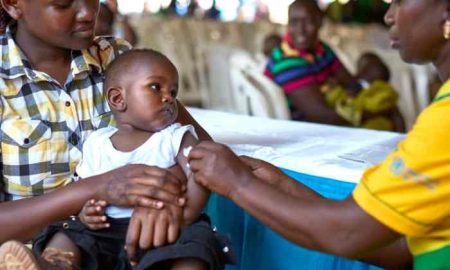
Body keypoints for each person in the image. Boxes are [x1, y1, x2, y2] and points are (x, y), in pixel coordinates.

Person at [187, 0, 450, 268]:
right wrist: (282, 185)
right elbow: (403, 248)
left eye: (401, 1)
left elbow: (348, 233)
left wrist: (237, 183)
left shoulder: (444, 122)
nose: (388, 15)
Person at [0, 0, 210, 267]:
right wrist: (97, 187)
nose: (89, 13)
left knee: (195, 246)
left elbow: (205, 156)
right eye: (64, 3)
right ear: (14, 5)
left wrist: (160, 191)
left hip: (144, 238)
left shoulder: (118, 59)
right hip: (51, 248)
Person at [32, 49, 232, 270]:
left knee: (195, 244)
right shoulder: (97, 142)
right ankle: (54, 265)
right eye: (156, 87)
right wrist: (85, 212)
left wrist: (185, 216)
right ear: (118, 99)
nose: (168, 97)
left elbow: (201, 172)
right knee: (66, 233)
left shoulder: (175, 136)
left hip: (162, 229)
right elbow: (83, 187)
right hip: (104, 230)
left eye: (173, 92)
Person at [264, 0, 358, 124]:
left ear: (320, 22)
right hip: (304, 130)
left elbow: (352, 84)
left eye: (307, 21)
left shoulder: (322, 49)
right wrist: (369, 112)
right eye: (294, 22)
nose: (300, 30)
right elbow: (321, 115)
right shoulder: (286, 61)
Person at [321, 52, 406, 132]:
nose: (367, 73)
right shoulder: (346, 85)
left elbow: (397, 118)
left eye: (372, 67)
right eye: (364, 69)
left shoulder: (383, 92)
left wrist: (401, 138)